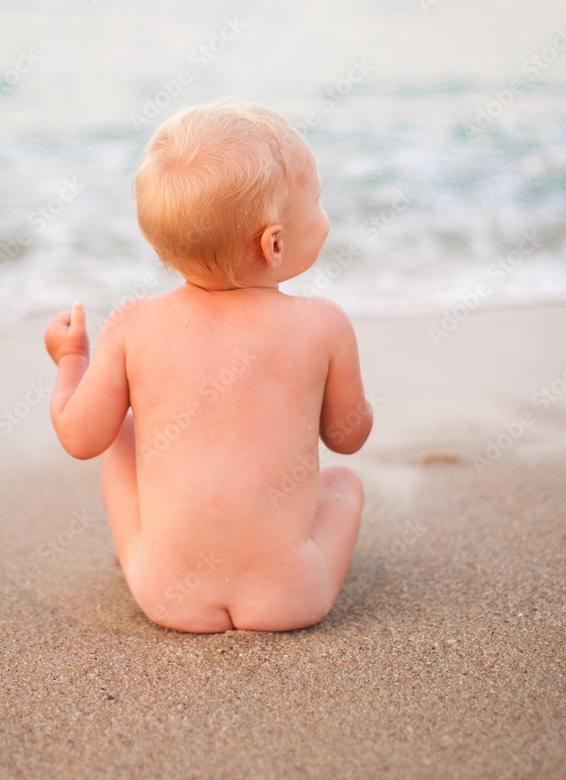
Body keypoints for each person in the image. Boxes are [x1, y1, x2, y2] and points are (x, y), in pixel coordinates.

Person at [44, 101, 372, 633]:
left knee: (120, 438)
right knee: (345, 483)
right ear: (275, 244)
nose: (326, 216)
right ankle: (269, 565)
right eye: (318, 201)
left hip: (167, 596)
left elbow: (80, 437)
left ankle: (152, 553)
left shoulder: (133, 324)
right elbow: (347, 437)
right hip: (293, 595)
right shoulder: (324, 325)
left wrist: (72, 360)